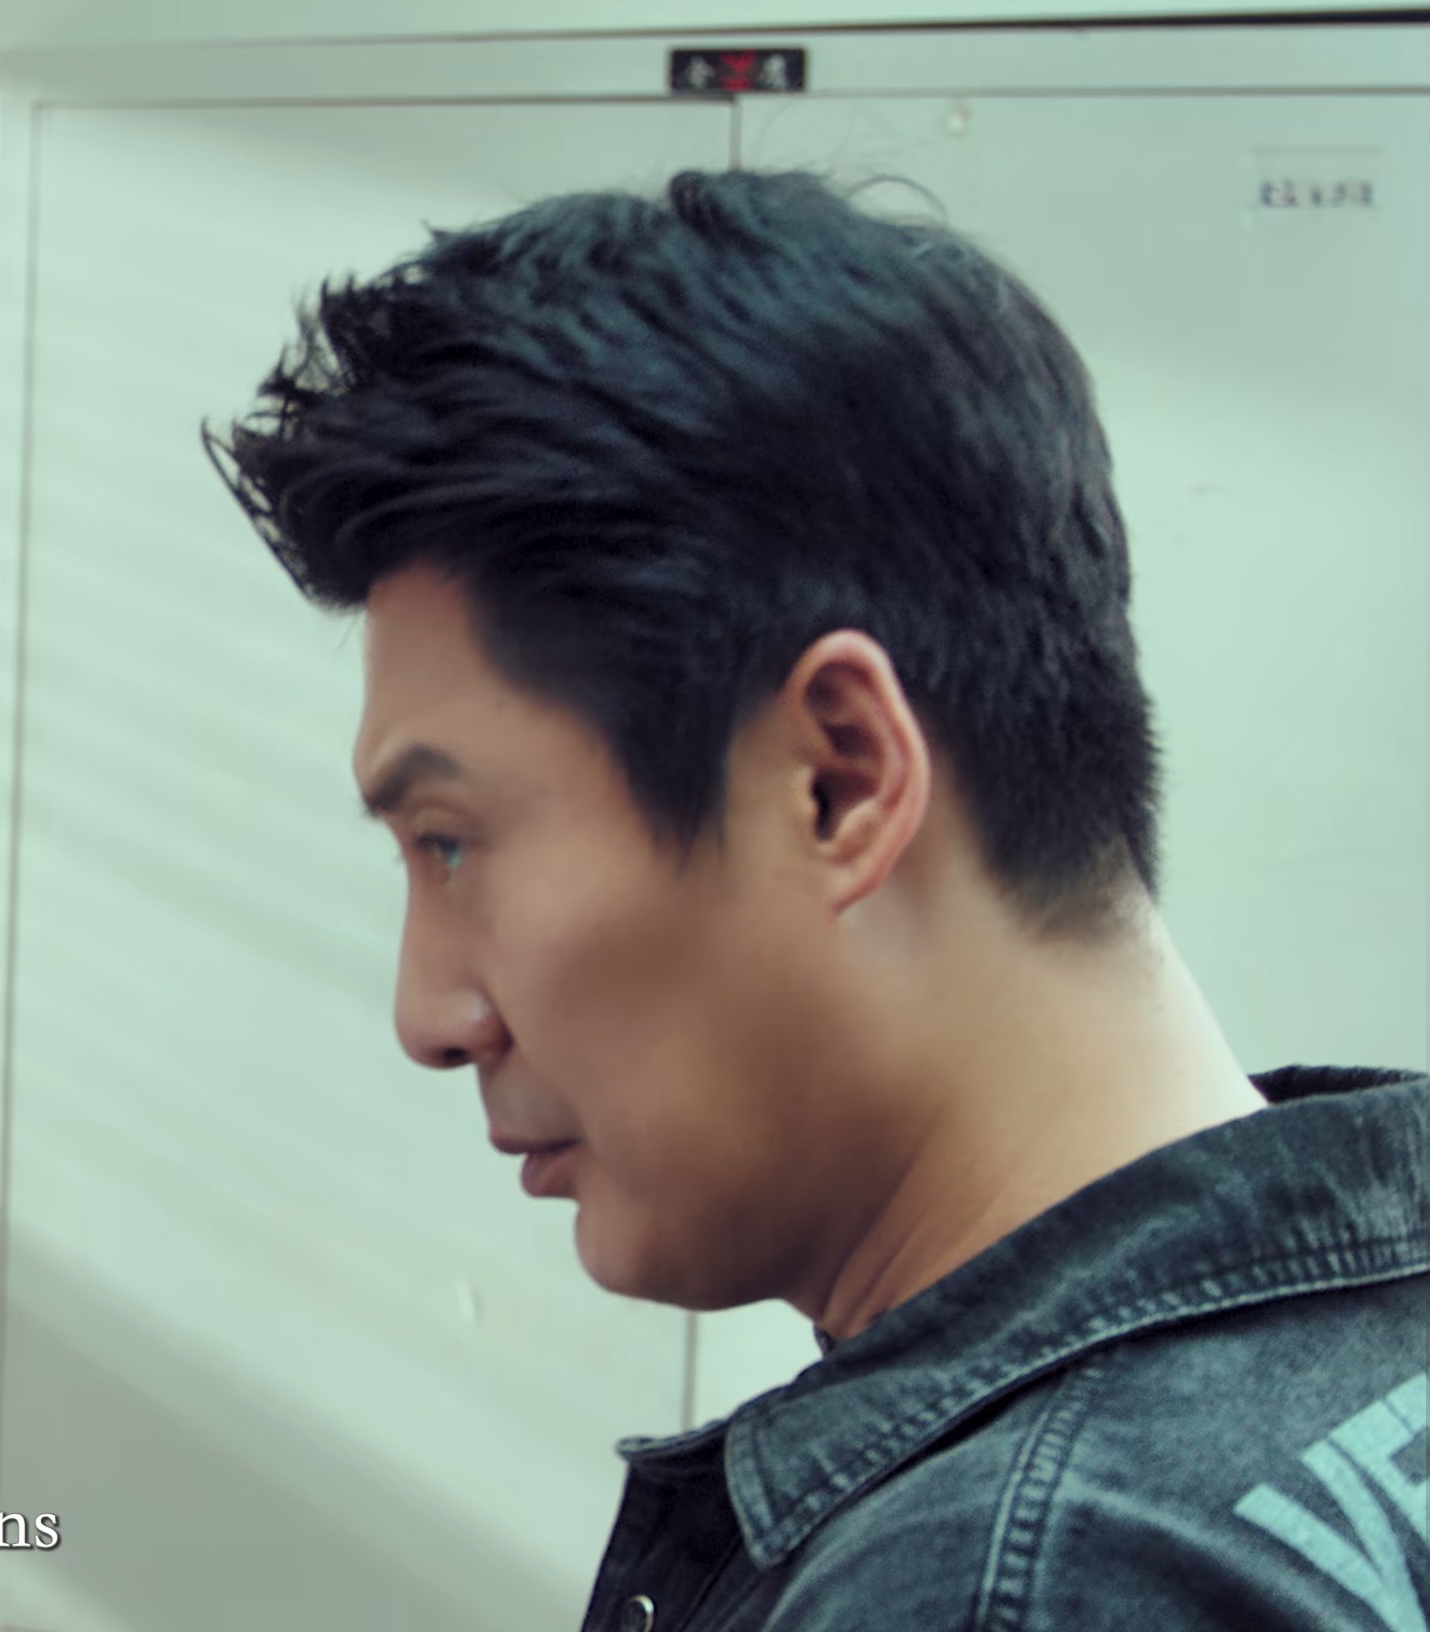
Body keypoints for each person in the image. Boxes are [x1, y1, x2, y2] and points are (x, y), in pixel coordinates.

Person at [211, 169, 1428, 1631]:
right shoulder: (1365, 1362)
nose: (430, 1015)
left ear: (838, 782)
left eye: (451, 842)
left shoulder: (1006, 1587)